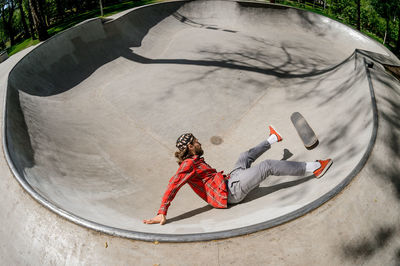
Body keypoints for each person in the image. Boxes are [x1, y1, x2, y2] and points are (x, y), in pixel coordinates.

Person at [143, 126, 332, 225]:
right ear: (191, 147)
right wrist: (162, 212)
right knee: (267, 166)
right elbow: (173, 185)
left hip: (229, 181)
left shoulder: (194, 159)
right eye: (196, 141)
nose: (199, 142)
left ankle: (273, 138)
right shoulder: (188, 164)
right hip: (230, 193)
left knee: (244, 157)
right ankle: (314, 167)